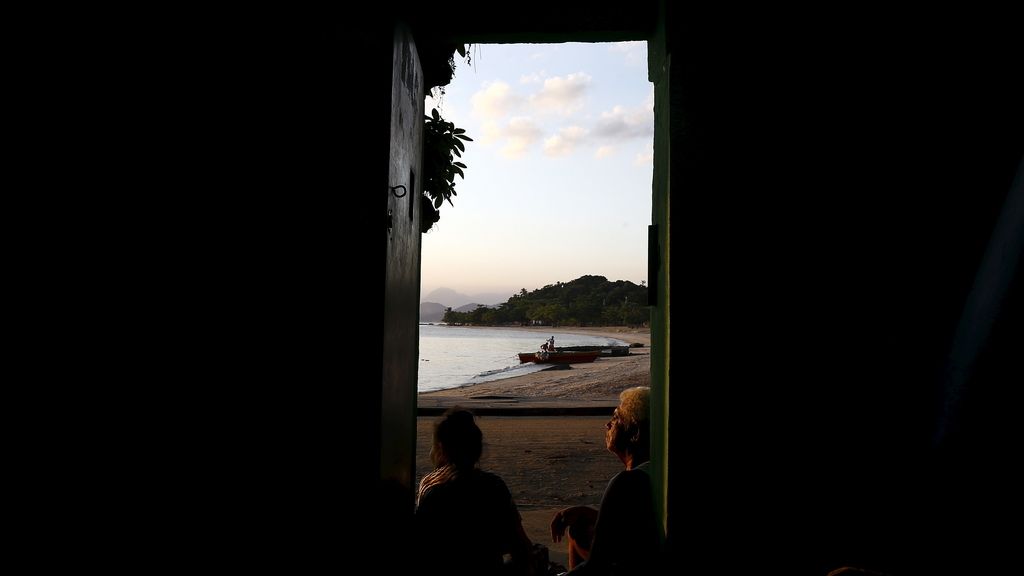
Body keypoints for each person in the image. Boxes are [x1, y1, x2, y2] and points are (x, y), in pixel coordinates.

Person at [549, 386, 660, 575]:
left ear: (635, 433)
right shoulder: (656, 471)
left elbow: (599, 563)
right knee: (580, 528)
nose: (607, 425)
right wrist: (592, 514)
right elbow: (635, 524)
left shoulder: (627, 482)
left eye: (616, 418)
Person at [416, 407, 534, 575]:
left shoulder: (430, 488)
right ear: (477, 450)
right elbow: (521, 548)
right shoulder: (494, 486)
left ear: (441, 448)